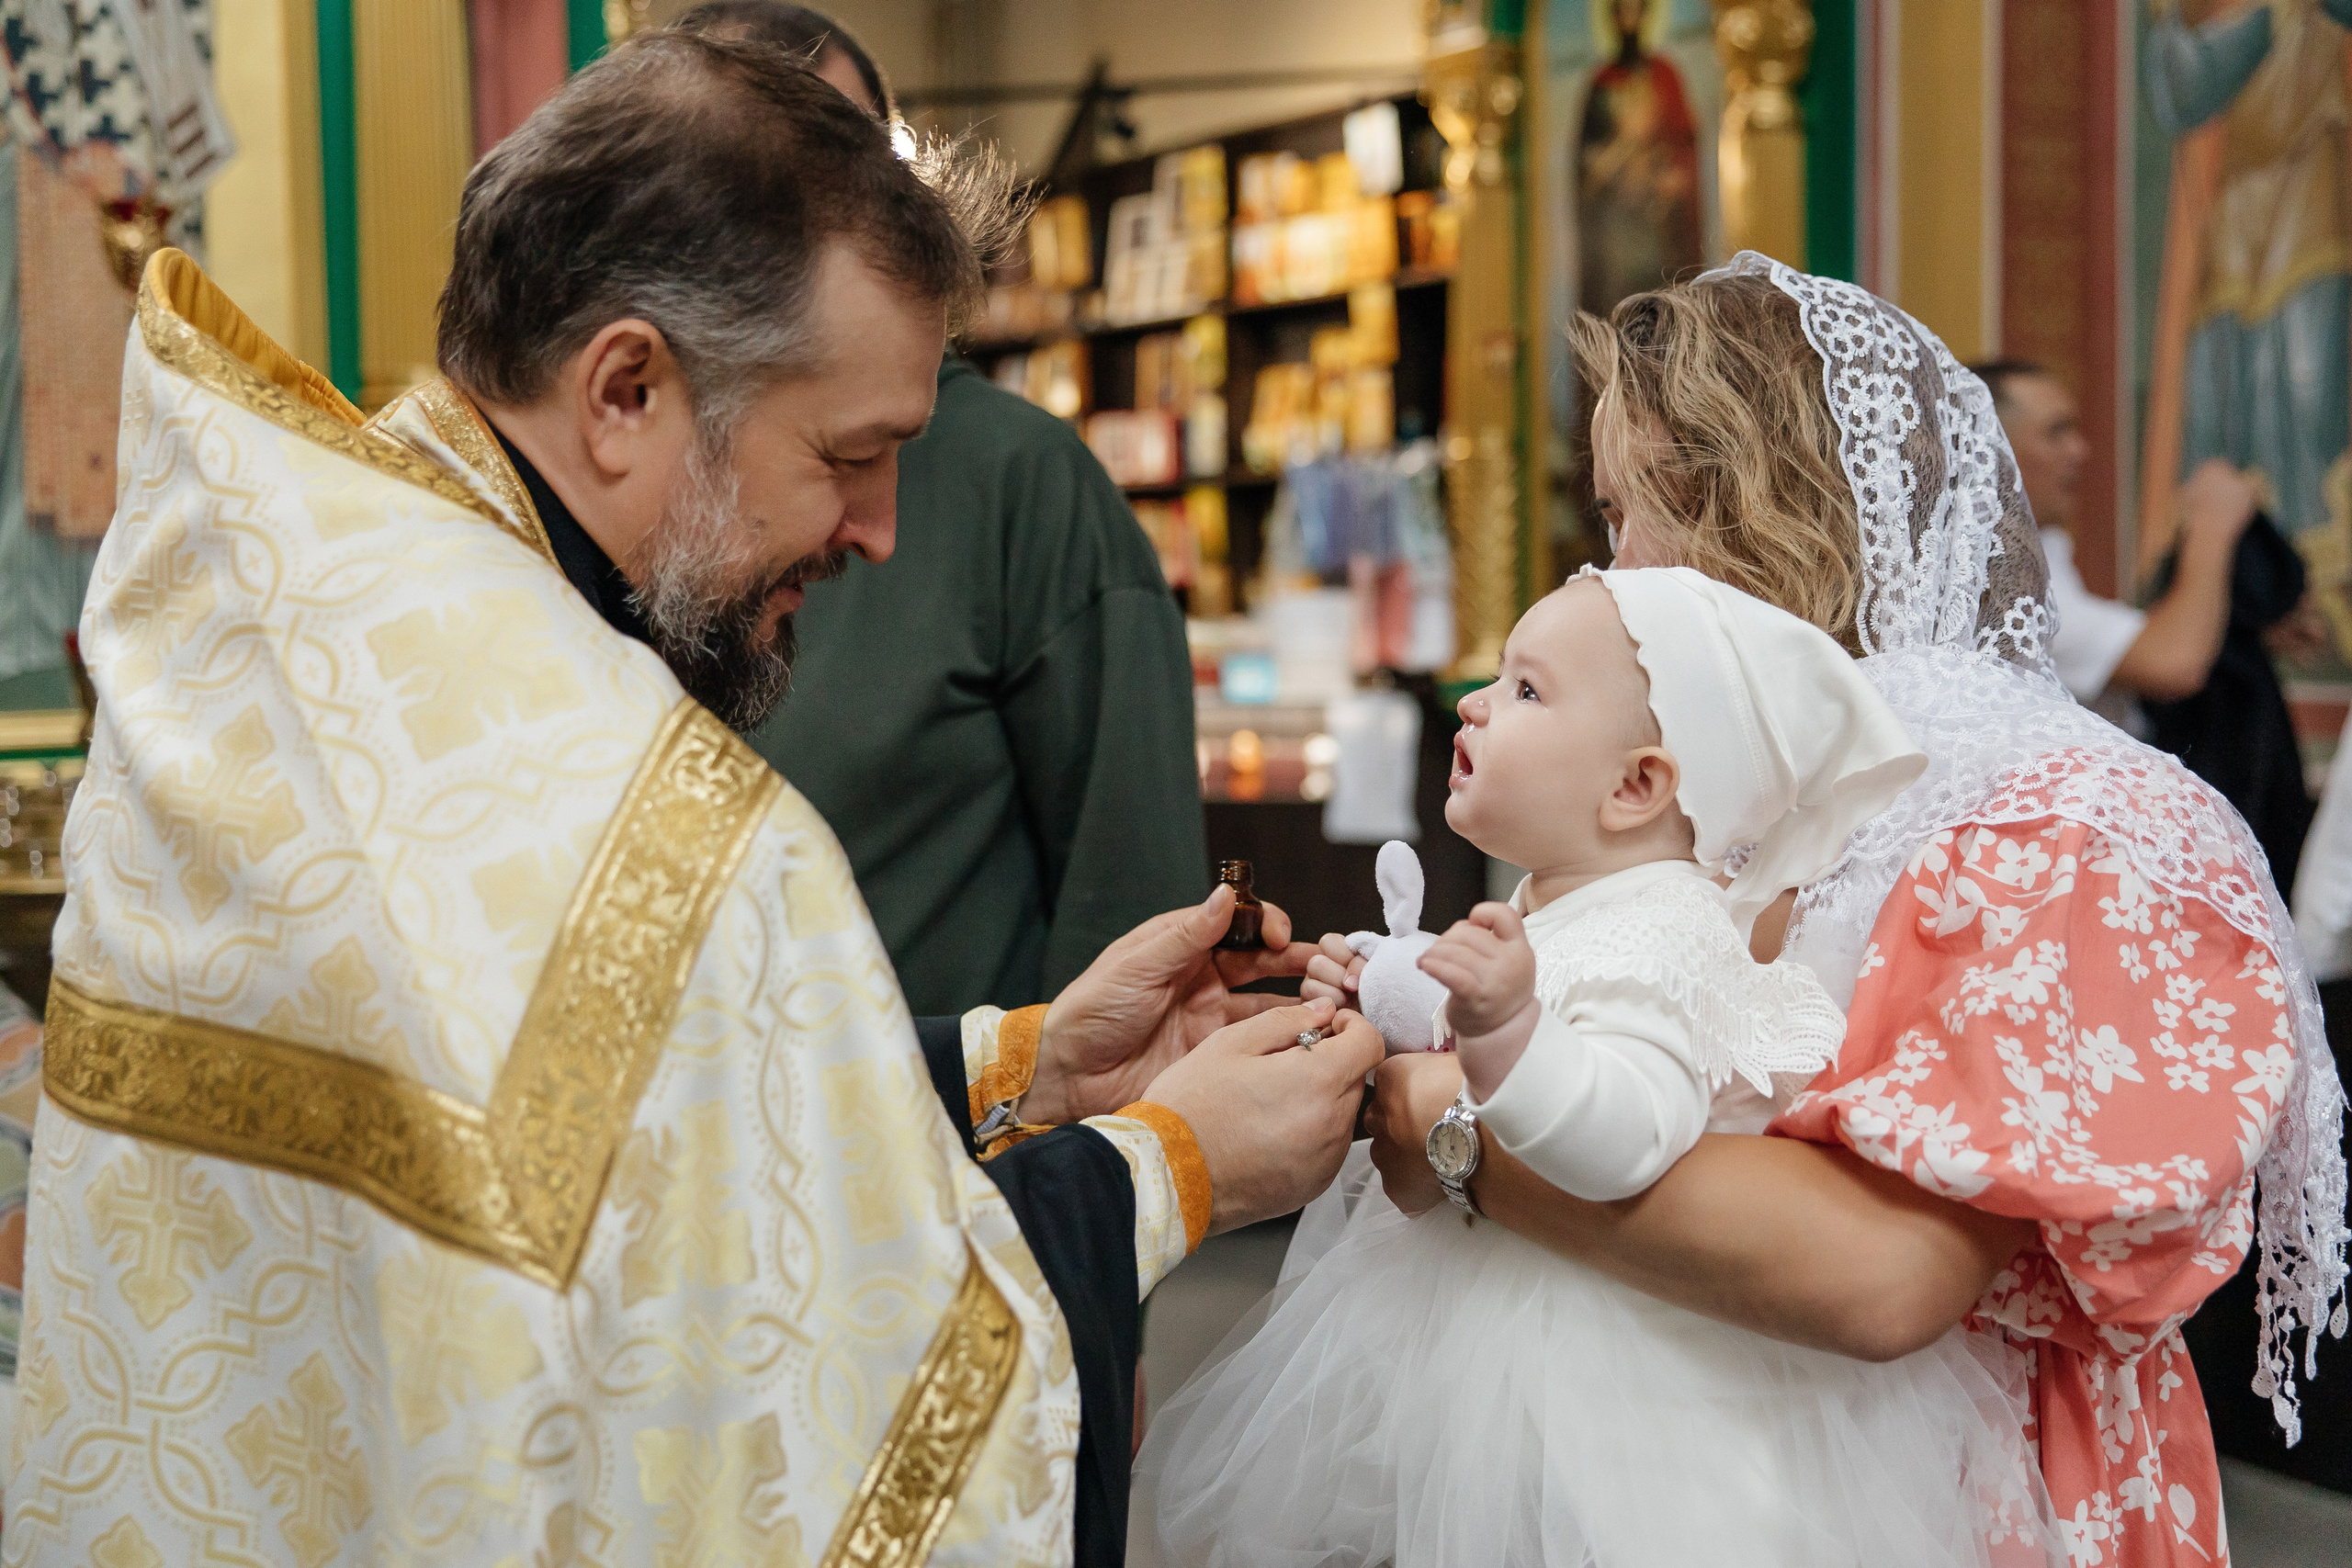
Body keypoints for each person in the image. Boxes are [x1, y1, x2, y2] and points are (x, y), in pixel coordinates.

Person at [5, 32, 1387, 1566]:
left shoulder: (312, 602)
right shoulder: (649, 816)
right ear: (625, 391)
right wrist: (1174, 1165)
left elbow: (624, 1131)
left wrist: (1028, 1061)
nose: (874, 532)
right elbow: (811, 1410)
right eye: (850, 454)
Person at [1334, 256, 2346, 1568]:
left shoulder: (2051, 822)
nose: (1610, 563)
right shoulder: (1712, 780)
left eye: (1625, 510)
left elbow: (1882, 1272)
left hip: (1949, 1488)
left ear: (1744, 504)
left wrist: (1452, 1124)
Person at [1143, 569, 2074, 1564]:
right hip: (1469, 1338)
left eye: (1526, 691)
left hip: (1602, 1396)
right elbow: (1434, 1165)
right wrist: (1396, 998)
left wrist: (1499, 1040)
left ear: (1635, 786)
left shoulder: (1664, 934)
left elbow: (1626, 1139)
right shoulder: (1558, 908)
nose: (1475, 702)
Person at [676, 2, 1207, 1012]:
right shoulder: (638, 488)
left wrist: (1074, 1152)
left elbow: (1135, 912)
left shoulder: (1020, 484)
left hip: (954, 1143)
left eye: (844, 176)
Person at [1973, 359, 2255, 731]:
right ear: (1994, 452)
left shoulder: (2045, 543)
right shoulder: (1993, 570)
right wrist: (2212, 526)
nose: (2080, 450)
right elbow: (2173, 662)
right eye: (2055, 433)